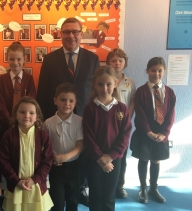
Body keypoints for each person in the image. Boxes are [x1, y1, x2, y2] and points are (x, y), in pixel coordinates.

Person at [82, 66, 132, 211]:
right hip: (94, 160)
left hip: (114, 160)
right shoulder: (90, 108)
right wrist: (100, 158)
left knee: (109, 196)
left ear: (115, 83)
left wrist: (111, 156)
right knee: (95, 196)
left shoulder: (121, 108)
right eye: (100, 84)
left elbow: (125, 134)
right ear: (94, 85)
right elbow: (88, 135)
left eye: (109, 84)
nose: (105, 88)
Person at [130, 57, 176, 204]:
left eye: (160, 70)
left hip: (161, 132)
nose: (156, 73)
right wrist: (149, 132)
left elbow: (171, 114)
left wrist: (164, 133)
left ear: (164, 71)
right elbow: (140, 114)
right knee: (144, 158)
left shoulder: (169, 92)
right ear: (147, 71)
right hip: (145, 132)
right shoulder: (141, 91)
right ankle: (143, 189)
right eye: (153, 70)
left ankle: (153, 188)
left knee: (156, 160)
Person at [37, 17, 100, 120]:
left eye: (75, 32)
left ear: (81, 34)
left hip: (85, 118)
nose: (71, 36)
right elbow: (42, 94)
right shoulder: (49, 60)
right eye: (66, 32)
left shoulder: (92, 60)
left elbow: (97, 92)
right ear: (61, 34)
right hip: (56, 119)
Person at [0, 96, 54, 211]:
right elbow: (4, 161)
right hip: (16, 186)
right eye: (22, 112)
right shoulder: (8, 136)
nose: (26, 116)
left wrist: (35, 179)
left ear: (37, 116)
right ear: (15, 115)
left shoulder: (43, 136)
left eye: (31, 112)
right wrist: (17, 181)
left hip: (36, 186)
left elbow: (47, 161)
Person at [43, 83, 84, 211]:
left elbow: (80, 145)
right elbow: (45, 145)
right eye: (63, 99)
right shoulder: (48, 123)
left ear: (76, 102)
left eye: (71, 100)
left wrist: (65, 157)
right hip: (56, 167)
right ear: (55, 100)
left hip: (74, 166)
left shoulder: (80, 121)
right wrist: (54, 158)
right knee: (57, 201)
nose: (67, 103)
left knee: (73, 199)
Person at [106, 48, 136, 198]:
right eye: (113, 60)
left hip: (123, 124)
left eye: (120, 60)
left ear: (125, 63)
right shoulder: (104, 80)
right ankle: (107, 184)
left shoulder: (130, 82)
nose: (117, 63)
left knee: (121, 155)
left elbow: (132, 102)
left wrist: (126, 120)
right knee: (106, 153)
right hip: (107, 124)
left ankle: (119, 186)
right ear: (108, 63)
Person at [0, 41, 36, 138]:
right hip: (6, 126)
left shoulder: (29, 79)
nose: (15, 62)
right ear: (7, 59)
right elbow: (0, 105)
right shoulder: (2, 79)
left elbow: (31, 102)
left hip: (25, 125)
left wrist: (21, 121)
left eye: (19, 59)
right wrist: (11, 122)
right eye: (12, 59)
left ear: (24, 59)